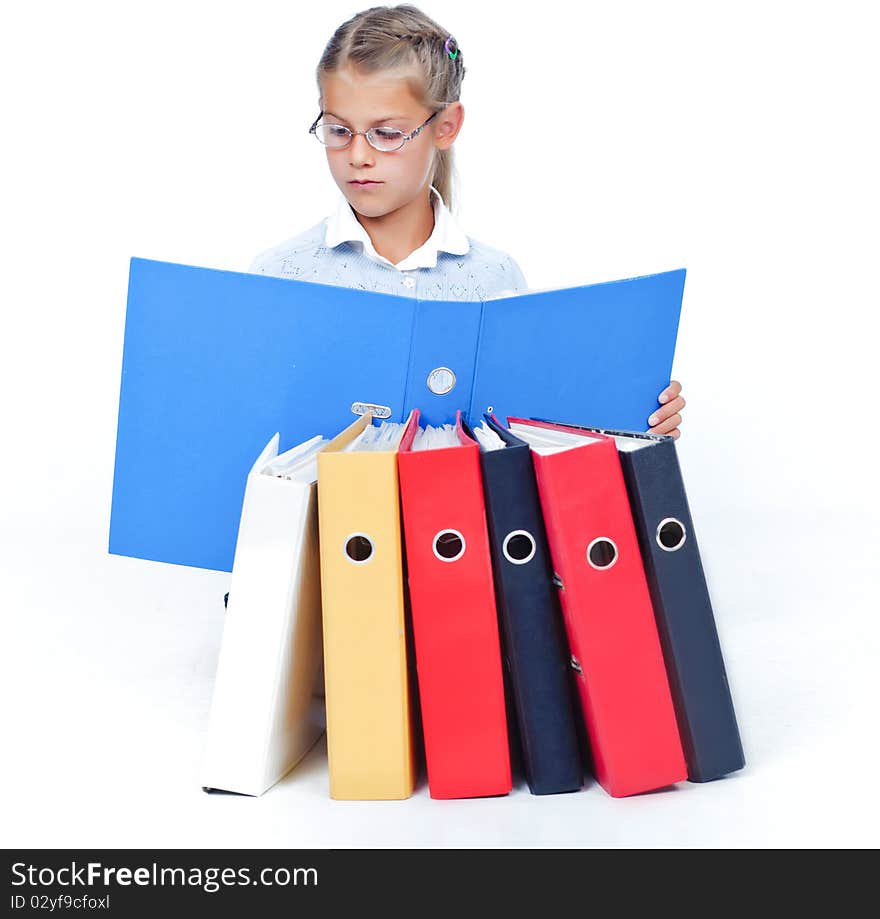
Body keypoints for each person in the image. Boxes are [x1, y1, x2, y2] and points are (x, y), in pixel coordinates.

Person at [249, 4, 685, 437]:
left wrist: (637, 421)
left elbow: (528, 435)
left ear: (446, 125)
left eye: (386, 134)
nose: (359, 156)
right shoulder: (281, 275)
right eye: (339, 130)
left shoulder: (495, 281)